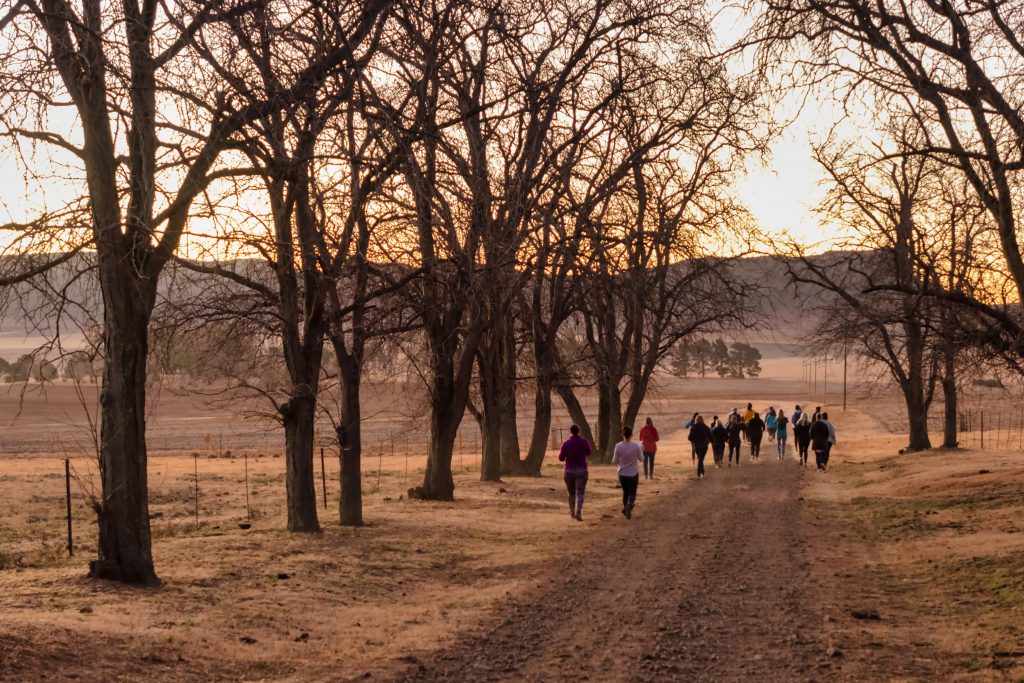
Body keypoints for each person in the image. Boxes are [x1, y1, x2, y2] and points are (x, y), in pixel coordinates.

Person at [558, 424, 591, 521]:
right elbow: (589, 452)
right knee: (580, 493)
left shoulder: (566, 443)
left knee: (571, 493)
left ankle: (572, 512)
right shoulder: (583, 441)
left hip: (569, 470)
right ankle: (579, 512)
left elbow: (561, 458)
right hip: (581, 470)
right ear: (579, 431)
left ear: (571, 432)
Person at [611, 425, 644, 519]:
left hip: (622, 473)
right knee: (632, 492)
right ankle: (629, 505)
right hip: (633, 472)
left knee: (625, 492)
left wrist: (620, 464)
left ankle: (626, 510)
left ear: (622, 434)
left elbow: (615, 460)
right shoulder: (636, 446)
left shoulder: (618, 446)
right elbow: (641, 459)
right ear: (631, 435)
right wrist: (642, 450)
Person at [687, 415, 712, 479]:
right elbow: (711, 437)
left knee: (700, 459)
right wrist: (710, 441)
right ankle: (700, 474)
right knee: (700, 459)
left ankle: (701, 473)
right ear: (702, 420)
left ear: (696, 420)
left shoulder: (693, 427)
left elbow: (689, 438)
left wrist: (694, 440)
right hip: (704, 446)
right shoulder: (706, 427)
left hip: (697, 446)